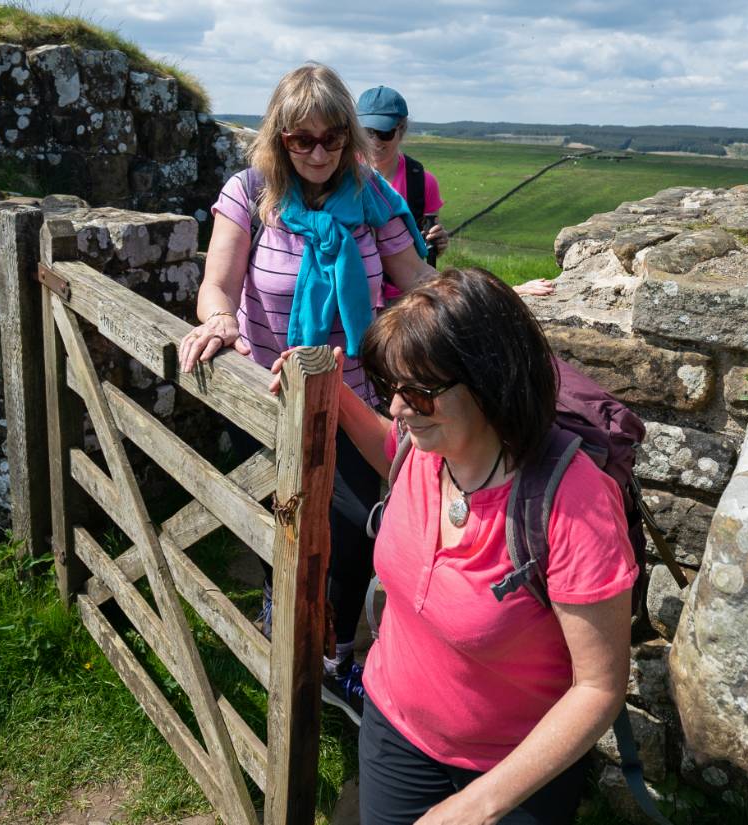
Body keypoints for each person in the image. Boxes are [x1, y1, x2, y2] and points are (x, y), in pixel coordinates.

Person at [178, 62, 436, 723]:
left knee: (352, 530)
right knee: (281, 525)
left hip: (354, 398)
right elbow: (218, 282)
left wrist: (487, 313)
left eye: (330, 137)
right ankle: (281, 618)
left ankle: (332, 660)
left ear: (348, 136)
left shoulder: (371, 195)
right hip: (266, 396)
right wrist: (218, 317)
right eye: (302, 139)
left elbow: (416, 282)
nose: (318, 152)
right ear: (280, 138)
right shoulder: (249, 192)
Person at [335, 267, 636, 825]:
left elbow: (598, 688)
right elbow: (392, 448)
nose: (399, 409)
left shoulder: (573, 506)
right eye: (389, 388)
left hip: (512, 774)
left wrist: (479, 805)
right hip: (392, 726)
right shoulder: (424, 448)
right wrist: (333, 393)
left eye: (419, 393)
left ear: (489, 384)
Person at [356, 85, 555, 300]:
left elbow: (419, 260)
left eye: (384, 132)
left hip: (407, 293)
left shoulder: (420, 181)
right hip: (359, 292)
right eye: (367, 132)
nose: (374, 141)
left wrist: (436, 245)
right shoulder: (342, 174)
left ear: (401, 129)